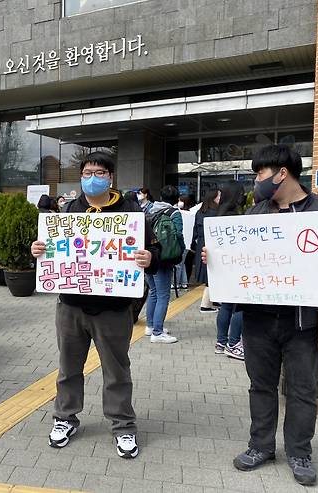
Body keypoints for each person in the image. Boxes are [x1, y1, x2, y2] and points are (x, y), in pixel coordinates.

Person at [203, 145, 318, 486]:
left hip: (304, 321)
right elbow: (238, 257)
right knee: (261, 386)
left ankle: (299, 452)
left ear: (282, 173)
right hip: (258, 320)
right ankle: (260, 446)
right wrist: (214, 257)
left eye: (260, 173)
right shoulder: (256, 215)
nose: (256, 181)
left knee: (303, 389)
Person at [31, 151, 160, 460]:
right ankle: (65, 418)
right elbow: (53, 250)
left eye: (99, 173)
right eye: (87, 172)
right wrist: (38, 250)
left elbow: (157, 250)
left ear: (110, 177)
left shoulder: (131, 213)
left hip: (113, 310)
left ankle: (123, 425)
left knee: (116, 371)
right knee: (68, 369)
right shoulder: (70, 211)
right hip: (71, 307)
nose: (92, 178)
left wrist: (150, 257)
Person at [145, 185, 185, 343]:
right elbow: (179, 235)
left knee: (153, 292)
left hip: (149, 255)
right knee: (163, 295)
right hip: (164, 258)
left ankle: (150, 326)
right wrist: (179, 253)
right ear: (176, 198)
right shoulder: (174, 213)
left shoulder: (149, 210)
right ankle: (158, 332)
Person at [214, 181, 245, 360]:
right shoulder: (237, 218)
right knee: (240, 305)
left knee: (226, 305)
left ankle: (221, 342)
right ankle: (233, 344)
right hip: (238, 266)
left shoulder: (218, 215)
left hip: (223, 268)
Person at [191, 188, 220, 313]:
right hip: (211, 246)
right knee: (212, 274)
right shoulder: (216, 212)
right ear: (213, 198)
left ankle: (214, 299)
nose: (220, 198)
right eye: (219, 196)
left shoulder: (200, 212)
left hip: (201, 245)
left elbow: (195, 232)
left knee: (209, 274)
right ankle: (205, 305)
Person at [174, 194, 196, 290]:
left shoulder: (180, 213)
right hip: (189, 242)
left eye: (180, 200)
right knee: (182, 264)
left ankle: (176, 283)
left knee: (178, 264)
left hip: (183, 242)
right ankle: (184, 282)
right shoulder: (192, 213)